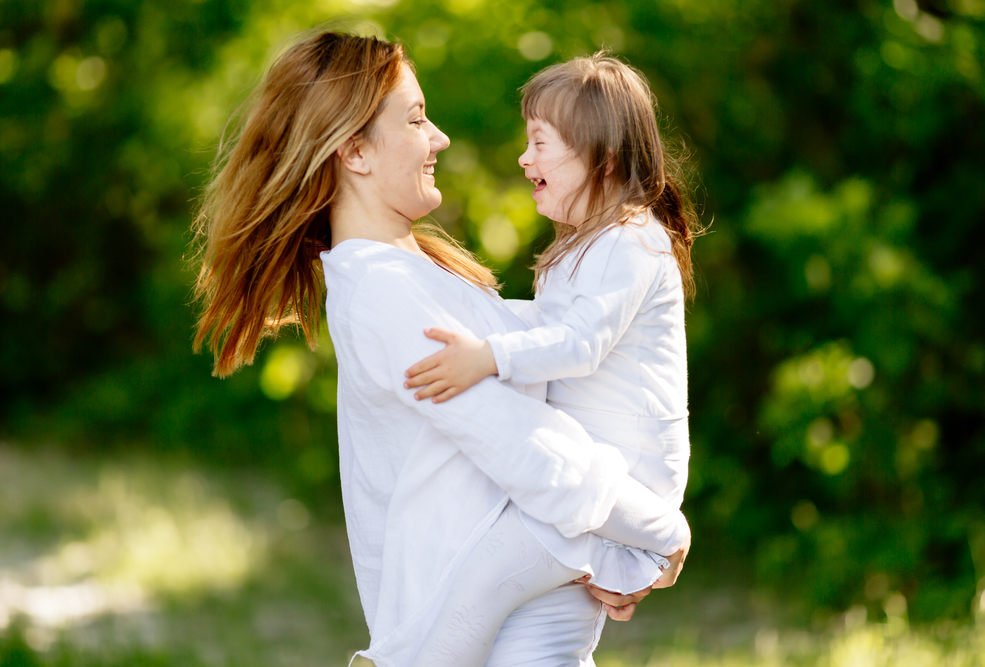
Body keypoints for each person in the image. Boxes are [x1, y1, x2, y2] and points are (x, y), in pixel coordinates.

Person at [190, 30, 689, 667]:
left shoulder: (426, 275)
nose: (440, 138)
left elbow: (560, 354)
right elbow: (526, 444)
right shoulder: (381, 293)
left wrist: (616, 542)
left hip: (538, 627)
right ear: (354, 151)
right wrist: (657, 529)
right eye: (417, 118)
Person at [403, 54, 700, 666]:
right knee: (537, 651)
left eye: (540, 143)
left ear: (604, 159)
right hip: (585, 477)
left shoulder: (629, 241)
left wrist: (486, 356)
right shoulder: (584, 244)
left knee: (474, 590)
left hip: (623, 481)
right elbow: (544, 324)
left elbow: (579, 342)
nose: (523, 159)